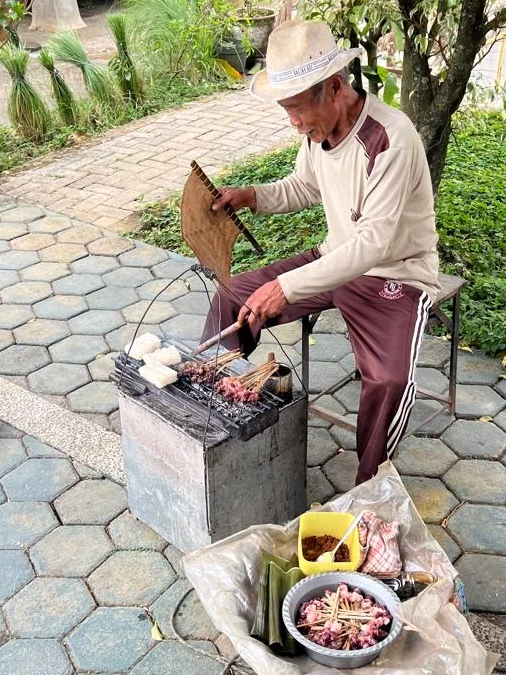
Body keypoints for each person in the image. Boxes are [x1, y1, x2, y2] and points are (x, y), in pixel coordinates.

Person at [204, 19, 440, 484]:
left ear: (334, 87)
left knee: (389, 380)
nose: (294, 123)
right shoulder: (316, 134)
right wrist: (249, 195)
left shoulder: (391, 138)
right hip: (335, 258)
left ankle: (371, 487)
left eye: (297, 109)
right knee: (233, 298)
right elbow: (304, 186)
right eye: (285, 111)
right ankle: (223, 409)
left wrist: (285, 287)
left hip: (396, 274)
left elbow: (372, 245)